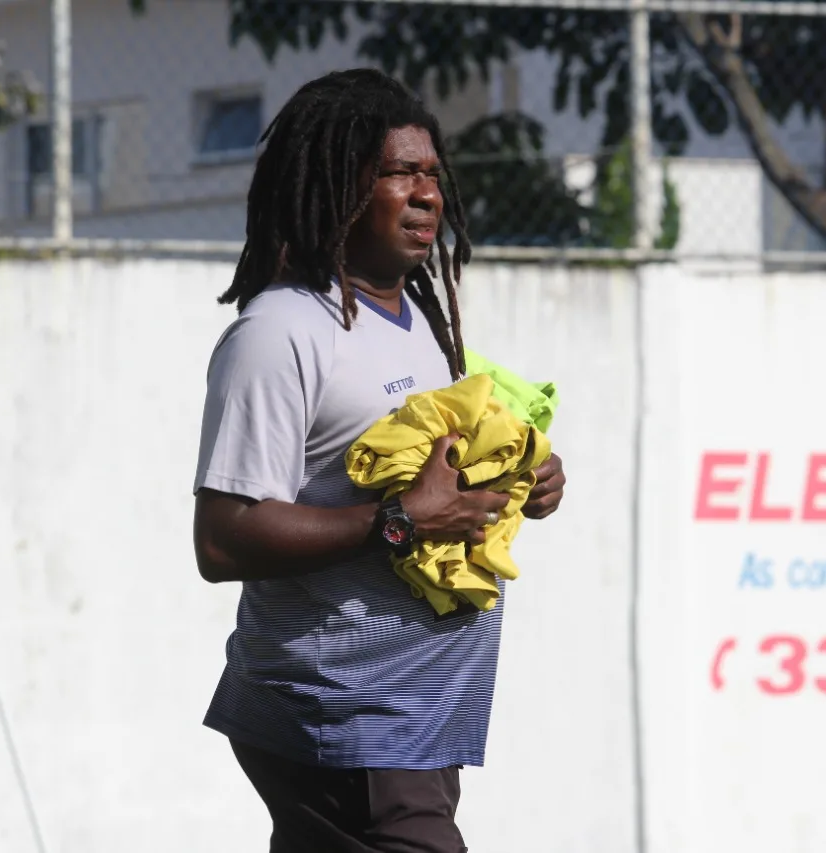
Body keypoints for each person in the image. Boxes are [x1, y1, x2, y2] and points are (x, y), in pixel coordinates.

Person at [190, 68, 567, 853]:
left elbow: (425, 467)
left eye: (433, 173)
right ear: (337, 186)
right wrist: (397, 521)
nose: (427, 193)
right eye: (399, 172)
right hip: (342, 710)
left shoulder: (416, 321)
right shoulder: (281, 332)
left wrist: (515, 476)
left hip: (415, 711)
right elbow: (223, 539)